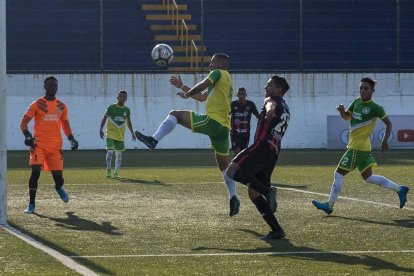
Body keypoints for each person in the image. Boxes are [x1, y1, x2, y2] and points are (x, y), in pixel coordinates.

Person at [134, 53, 240, 217]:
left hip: (213, 122)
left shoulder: (217, 73)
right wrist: (183, 87)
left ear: (219, 64)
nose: (210, 66)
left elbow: (201, 85)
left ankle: (153, 140)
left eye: (212, 63)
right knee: (224, 167)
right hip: (224, 128)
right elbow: (203, 97)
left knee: (175, 114)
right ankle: (233, 197)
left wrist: (187, 94)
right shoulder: (227, 79)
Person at [312, 77, 409, 215]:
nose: (363, 91)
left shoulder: (376, 108)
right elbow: (347, 117)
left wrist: (385, 140)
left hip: (357, 148)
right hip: (361, 148)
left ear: (372, 91)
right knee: (369, 177)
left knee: (338, 173)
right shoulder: (356, 101)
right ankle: (400, 189)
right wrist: (341, 111)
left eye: (366, 89)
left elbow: (389, 123)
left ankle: (329, 205)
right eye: (361, 88)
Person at [226, 75, 290, 240]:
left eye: (269, 85)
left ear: (278, 89)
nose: (265, 88)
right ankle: (277, 230)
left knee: (231, 170)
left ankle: (268, 191)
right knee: (253, 192)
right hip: (273, 153)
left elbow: (270, 104)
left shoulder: (272, 100)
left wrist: (269, 110)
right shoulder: (286, 107)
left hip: (261, 146)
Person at [20, 76, 79, 214]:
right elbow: (23, 123)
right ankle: (31, 204)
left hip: (55, 147)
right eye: (50, 85)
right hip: (38, 145)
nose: (53, 87)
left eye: (55, 85)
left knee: (59, 178)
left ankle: (58, 188)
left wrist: (71, 138)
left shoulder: (62, 106)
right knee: (35, 173)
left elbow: (65, 124)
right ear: (45, 86)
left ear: (57, 87)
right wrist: (28, 136)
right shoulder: (37, 104)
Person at [99, 90, 136, 178]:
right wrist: (101, 129)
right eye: (120, 96)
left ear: (126, 98)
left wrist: (132, 133)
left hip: (120, 135)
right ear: (117, 97)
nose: (122, 98)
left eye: (124, 97)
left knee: (119, 155)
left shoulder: (127, 110)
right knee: (110, 152)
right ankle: (108, 170)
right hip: (110, 134)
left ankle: (116, 172)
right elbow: (104, 118)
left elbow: (128, 122)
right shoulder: (111, 107)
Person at [230, 87, 259, 156]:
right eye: (239, 94)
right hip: (235, 133)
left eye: (242, 94)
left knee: (243, 153)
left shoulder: (251, 104)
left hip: (245, 133)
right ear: (237, 95)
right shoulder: (233, 104)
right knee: (237, 152)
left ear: (246, 95)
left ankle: (241, 166)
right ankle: (234, 165)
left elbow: (258, 116)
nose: (241, 96)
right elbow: (225, 115)